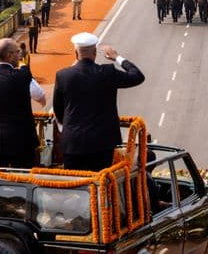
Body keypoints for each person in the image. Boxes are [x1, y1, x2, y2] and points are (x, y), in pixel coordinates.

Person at [53, 32, 146, 172]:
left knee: (75, 183)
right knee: (101, 182)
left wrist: (69, 129)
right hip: (102, 144)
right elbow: (137, 76)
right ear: (95, 53)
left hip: (73, 143)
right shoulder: (108, 72)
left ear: (76, 53)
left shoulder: (63, 76)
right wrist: (117, 57)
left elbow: (58, 111)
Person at [0, 38, 41, 168]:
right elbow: (37, 93)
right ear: (9, 55)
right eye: (17, 52)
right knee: (23, 177)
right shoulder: (22, 75)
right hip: (21, 141)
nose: (20, 54)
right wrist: (22, 64)